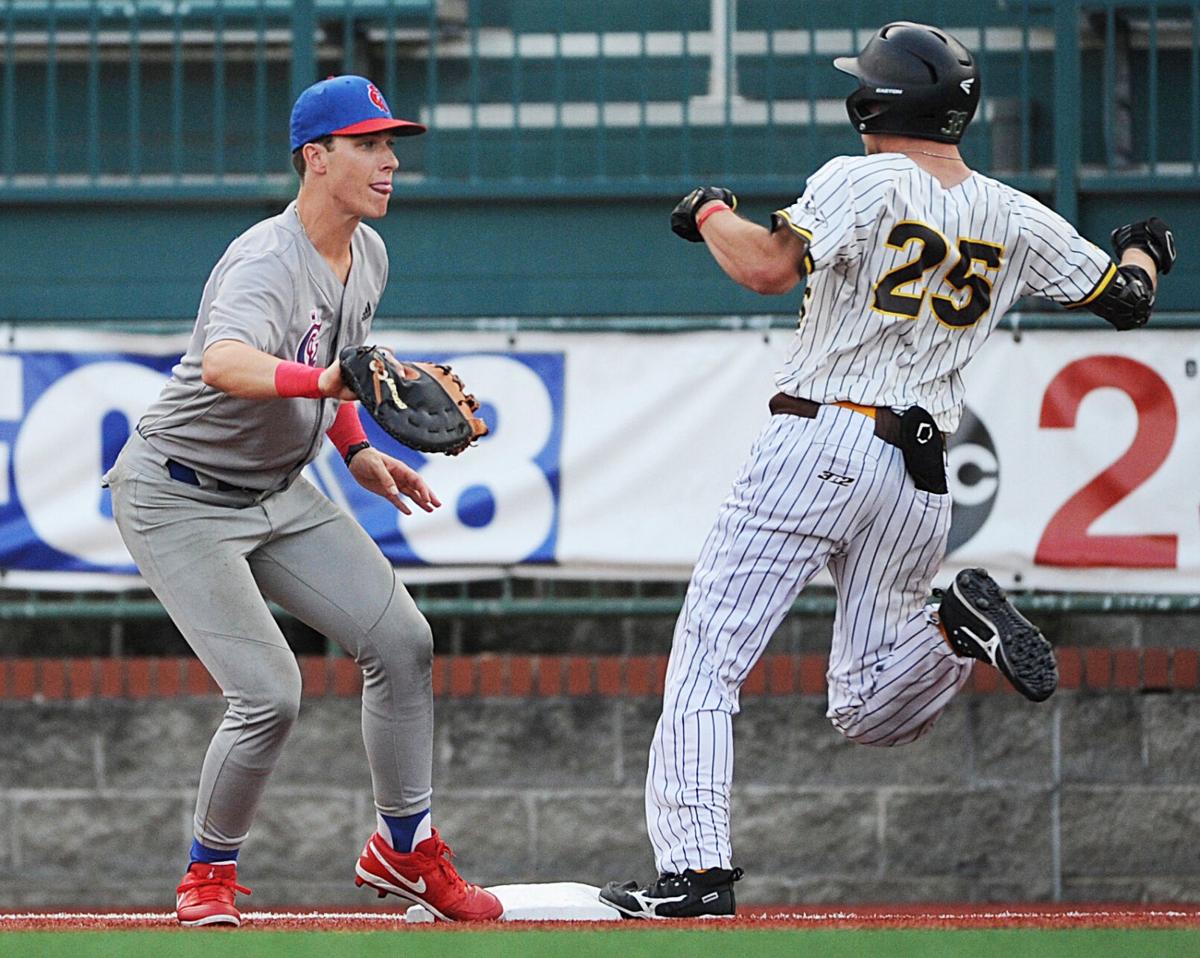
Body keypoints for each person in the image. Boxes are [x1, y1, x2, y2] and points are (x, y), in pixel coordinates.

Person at [600, 21, 1176, 919]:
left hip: (821, 435)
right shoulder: (1013, 210)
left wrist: (708, 210)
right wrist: (1143, 246)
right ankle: (953, 625)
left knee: (707, 662)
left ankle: (695, 874)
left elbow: (764, 268)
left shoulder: (859, 175)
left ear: (874, 101)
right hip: (920, 468)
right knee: (867, 706)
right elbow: (1127, 300)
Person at [104, 75, 502, 926]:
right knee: (269, 693)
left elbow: (347, 371)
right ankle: (206, 873)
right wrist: (326, 383)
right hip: (178, 495)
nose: (390, 161)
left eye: (391, 145)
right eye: (368, 146)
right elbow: (227, 364)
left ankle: (404, 848)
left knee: (401, 641)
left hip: (280, 492)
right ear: (315, 158)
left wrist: (356, 450)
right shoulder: (265, 257)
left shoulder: (369, 252)